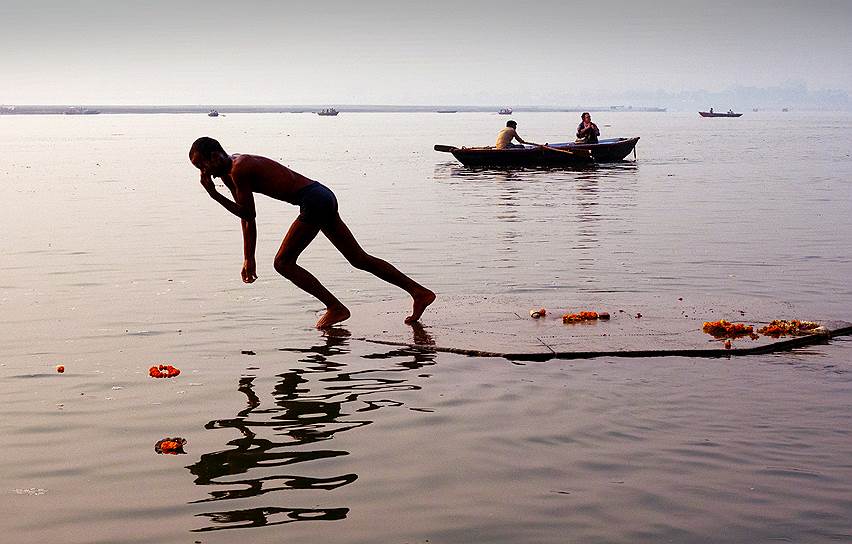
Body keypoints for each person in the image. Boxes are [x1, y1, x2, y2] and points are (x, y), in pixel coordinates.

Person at [188, 137, 435, 329]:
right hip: (321, 195)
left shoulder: (240, 168)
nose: (204, 173)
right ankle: (419, 292)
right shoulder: (231, 172)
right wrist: (248, 257)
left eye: (202, 165)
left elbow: (247, 214)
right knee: (358, 258)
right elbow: (247, 218)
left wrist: (212, 194)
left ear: (214, 156)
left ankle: (335, 308)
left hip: (313, 200)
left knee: (283, 263)